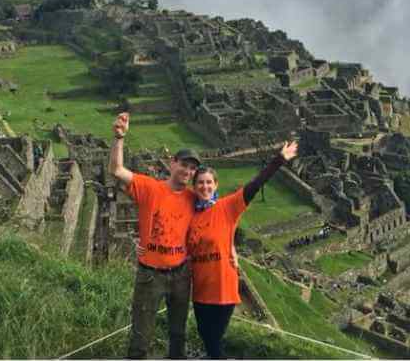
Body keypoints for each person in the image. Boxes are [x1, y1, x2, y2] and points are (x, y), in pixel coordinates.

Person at [186, 140, 299, 359]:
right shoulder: (192, 215)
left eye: (209, 182)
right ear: (194, 186)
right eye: (200, 183)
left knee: (213, 339)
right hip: (200, 290)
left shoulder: (227, 207)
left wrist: (279, 159)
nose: (205, 186)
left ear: (216, 185)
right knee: (205, 335)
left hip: (223, 289)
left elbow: (254, 185)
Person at [109, 112, 201, 359]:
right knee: (141, 336)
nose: (187, 171)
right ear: (172, 163)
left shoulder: (195, 199)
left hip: (181, 274)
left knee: (178, 334)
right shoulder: (151, 188)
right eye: (184, 164)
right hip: (151, 275)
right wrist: (119, 137)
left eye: (192, 169)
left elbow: (217, 219)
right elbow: (117, 170)